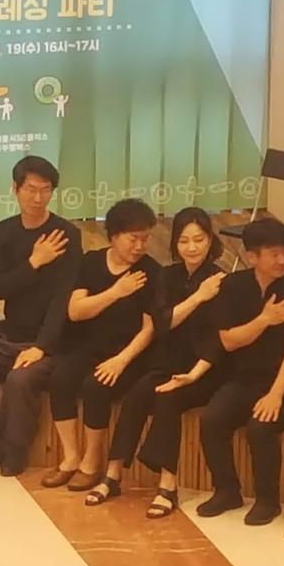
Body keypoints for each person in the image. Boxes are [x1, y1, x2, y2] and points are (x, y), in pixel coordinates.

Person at [83, 207, 228, 518]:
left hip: (204, 369)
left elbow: (217, 340)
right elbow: (161, 323)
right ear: (175, 243)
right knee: (137, 395)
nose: (192, 247)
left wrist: (193, 375)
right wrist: (197, 297)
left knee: (167, 399)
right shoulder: (168, 275)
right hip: (168, 363)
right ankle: (112, 474)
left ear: (210, 240)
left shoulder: (219, 281)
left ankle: (168, 484)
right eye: (184, 241)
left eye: (199, 240)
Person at [0, 156, 81, 477]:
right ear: (15, 189)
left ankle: (15, 450)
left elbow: (63, 299)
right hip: (7, 335)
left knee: (18, 380)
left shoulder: (66, 234)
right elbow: (0, 288)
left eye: (45, 190)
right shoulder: (4, 232)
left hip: (48, 342)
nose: (38, 198)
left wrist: (42, 347)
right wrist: (35, 262)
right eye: (31, 189)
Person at [196, 217, 284, 526]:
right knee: (211, 419)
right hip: (245, 379)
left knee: (260, 426)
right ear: (252, 257)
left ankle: (268, 501)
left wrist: (276, 395)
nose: (283, 260)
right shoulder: (234, 286)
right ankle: (227, 491)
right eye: (274, 254)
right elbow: (229, 341)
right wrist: (265, 319)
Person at [41, 198, 160, 492]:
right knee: (60, 378)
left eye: (145, 239)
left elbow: (149, 329)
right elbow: (75, 311)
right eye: (133, 239)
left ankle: (92, 462)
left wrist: (121, 360)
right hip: (89, 347)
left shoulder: (151, 271)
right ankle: (70, 457)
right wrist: (116, 291)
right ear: (114, 235)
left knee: (96, 387)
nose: (139, 246)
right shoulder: (92, 262)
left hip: (130, 354)